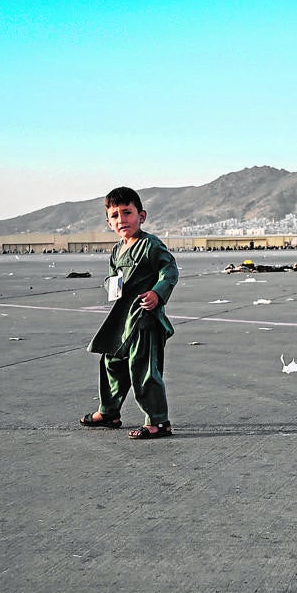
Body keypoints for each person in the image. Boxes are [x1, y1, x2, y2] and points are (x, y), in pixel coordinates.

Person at [80, 187, 179, 440]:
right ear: (108, 222)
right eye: (114, 215)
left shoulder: (150, 245)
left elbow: (169, 271)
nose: (121, 220)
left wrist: (157, 293)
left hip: (145, 319)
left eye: (127, 213)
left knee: (143, 369)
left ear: (141, 216)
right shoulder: (117, 251)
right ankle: (109, 412)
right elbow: (113, 279)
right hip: (121, 320)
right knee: (111, 362)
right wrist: (111, 286)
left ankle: (158, 422)